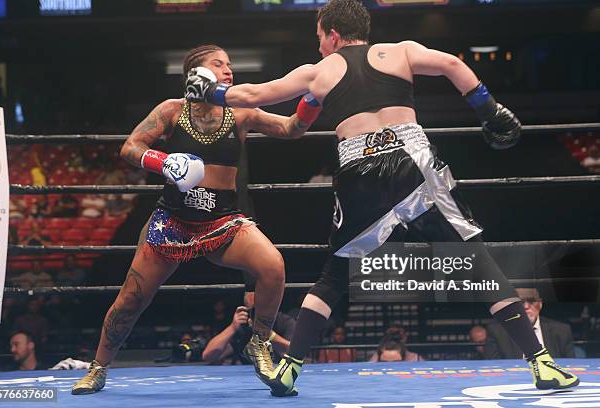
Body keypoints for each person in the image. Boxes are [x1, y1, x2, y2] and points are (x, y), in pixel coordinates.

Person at [185, 0, 579, 396]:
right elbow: (453, 66)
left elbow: (254, 93)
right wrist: (488, 110)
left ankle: (288, 370)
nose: (319, 45)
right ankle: (542, 364)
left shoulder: (319, 71)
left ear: (333, 35)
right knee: (476, 262)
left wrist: (210, 93)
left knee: (335, 275)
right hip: (414, 161)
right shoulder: (402, 50)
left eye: (320, 37)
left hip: (358, 169)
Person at [71, 44, 320, 395]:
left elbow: (293, 129)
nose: (228, 70)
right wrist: (161, 162)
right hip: (173, 222)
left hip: (222, 222)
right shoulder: (172, 111)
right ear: (197, 74)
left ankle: (260, 343)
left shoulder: (241, 112)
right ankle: (98, 367)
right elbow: (130, 147)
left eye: (230, 64)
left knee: (273, 265)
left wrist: (314, 97)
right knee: (130, 300)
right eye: (219, 65)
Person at [202, 292, 295, 365]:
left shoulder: (284, 322)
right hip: (245, 378)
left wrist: (268, 333)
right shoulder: (243, 327)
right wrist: (232, 328)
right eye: (253, 310)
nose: (257, 314)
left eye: (260, 308)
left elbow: (295, 354)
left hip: (278, 373)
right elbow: (208, 356)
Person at [485, 288, 576, 359]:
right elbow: (492, 367)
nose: (526, 306)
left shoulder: (562, 331)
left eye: (531, 301)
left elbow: (570, 366)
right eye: (520, 302)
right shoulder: (497, 331)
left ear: (540, 304)